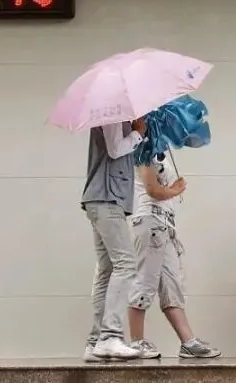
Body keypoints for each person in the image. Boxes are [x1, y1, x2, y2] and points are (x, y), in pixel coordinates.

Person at [127, 149, 220, 359]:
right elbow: (152, 190)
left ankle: (188, 342)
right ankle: (137, 341)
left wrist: (171, 189)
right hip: (150, 221)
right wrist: (174, 190)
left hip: (164, 224)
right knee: (144, 281)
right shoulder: (143, 151)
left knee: (172, 284)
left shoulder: (158, 152)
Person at [82, 119, 146, 361]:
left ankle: (95, 342)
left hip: (102, 200)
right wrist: (138, 133)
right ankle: (110, 336)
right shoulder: (112, 115)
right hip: (106, 199)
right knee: (126, 265)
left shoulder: (117, 117)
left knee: (107, 269)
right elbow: (115, 149)